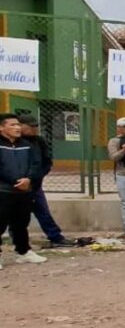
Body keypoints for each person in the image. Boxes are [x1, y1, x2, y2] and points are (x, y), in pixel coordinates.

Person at [17, 114, 75, 248]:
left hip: (35, 185)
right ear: (21, 126)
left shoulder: (38, 141)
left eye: (36, 126)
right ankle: (19, 243)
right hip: (15, 185)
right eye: (31, 126)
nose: (34, 128)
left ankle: (56, 237)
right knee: (14, 216)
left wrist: (37, 177)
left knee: (43, 212)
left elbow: (46, 162)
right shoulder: (12, 142)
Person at [0, 113, 46, 268]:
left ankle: (23, 252)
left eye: (18, 124)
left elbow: (35, 164)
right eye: (12, 125)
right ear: (1, 127)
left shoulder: (26, 144)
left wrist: (28, 179)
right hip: (3, 190)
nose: (17, 128)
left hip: (24, 191)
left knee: (21, 223)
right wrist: (15, 181)